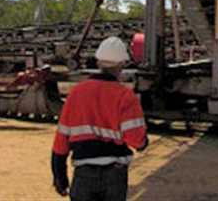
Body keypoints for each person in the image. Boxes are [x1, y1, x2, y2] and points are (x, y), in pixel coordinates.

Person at [51, 36, 148, 200]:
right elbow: (136, 139)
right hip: (114, 175)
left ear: (98, 62)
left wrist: (59, 176)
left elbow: (61, 140)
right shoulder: (125, 96)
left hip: (84, 174)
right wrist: (143, 143)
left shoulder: (77, 93)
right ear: (122, 65)